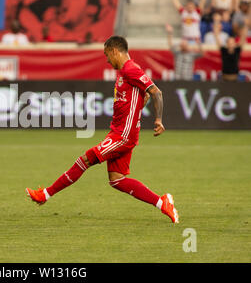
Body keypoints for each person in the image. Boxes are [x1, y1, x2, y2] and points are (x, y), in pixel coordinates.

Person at [26, 36, 179, 224]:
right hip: (120, 132)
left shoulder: (131, 69)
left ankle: (45, 194)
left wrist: (158, 119)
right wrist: (141, 103)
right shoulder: (125, 72)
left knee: (85, 159)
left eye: (107, 55)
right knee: (117, 180)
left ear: (115, 51)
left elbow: (156, 92)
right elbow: (144, 95)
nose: (107, 60)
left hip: (123, 135)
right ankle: (162, 202)